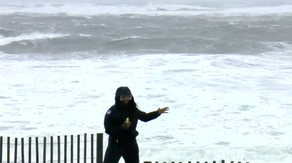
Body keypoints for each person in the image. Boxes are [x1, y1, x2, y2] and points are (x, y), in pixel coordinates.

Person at [103, 86, 169, 163]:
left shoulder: (133, 109)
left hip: (130, 143)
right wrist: (122, 128)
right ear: (118, 98)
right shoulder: (112, 111)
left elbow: (145, 117)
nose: (126, 100)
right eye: (123, 97)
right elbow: (108, 129)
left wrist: (157, 113)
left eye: (128, 97)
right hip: (116, 143)